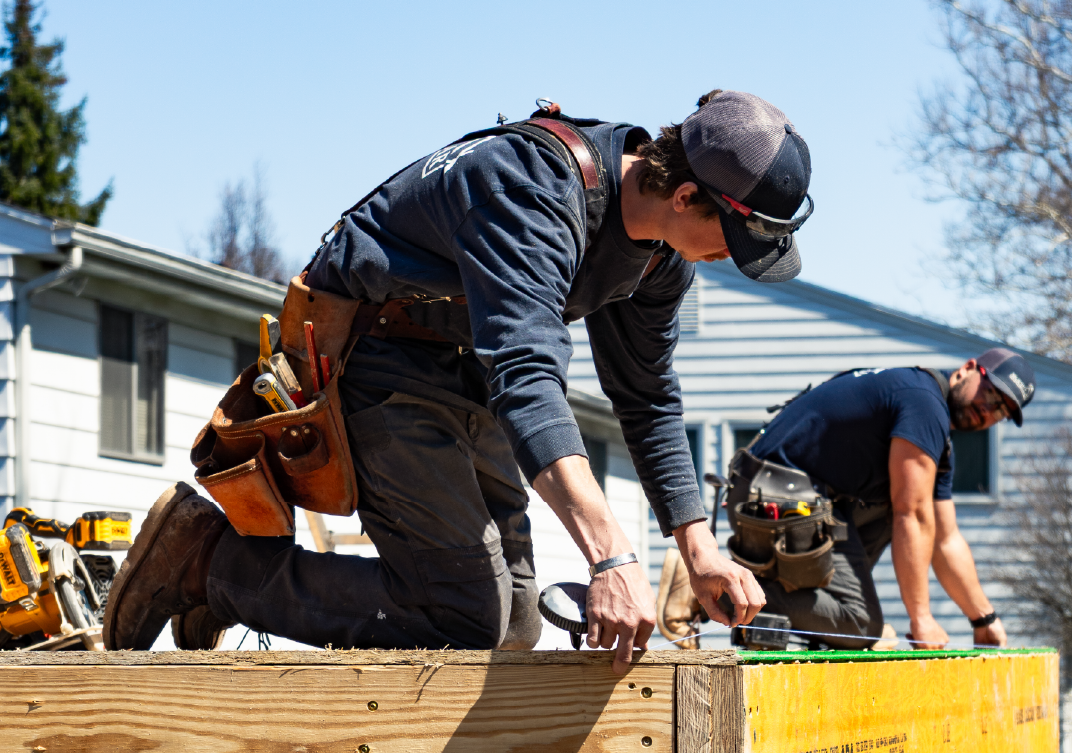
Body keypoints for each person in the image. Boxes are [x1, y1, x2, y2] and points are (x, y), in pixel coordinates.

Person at [103, 90, 817, 670]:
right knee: (461, 615)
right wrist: (611, 556)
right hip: (375, 353)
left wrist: (698, 552)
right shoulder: (533, 187)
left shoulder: (661, 258)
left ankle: (238, 582)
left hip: (462, 370)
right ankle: (209, 561)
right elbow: (529, 374)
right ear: (688, 193)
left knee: (512, 623)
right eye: (737, 239)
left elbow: (649, 397)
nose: (734, 259)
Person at [657, 348, 1036, 651]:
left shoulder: (935, 434)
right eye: (991, 393)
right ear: (967, 369)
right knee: (860, 625)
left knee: (903, 512)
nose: (990, 410)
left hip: (796, 495)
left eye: (1002, 411)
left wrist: (983, 619)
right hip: (773, 491)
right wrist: (920, 618)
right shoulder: (924, 402)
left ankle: (830, 617)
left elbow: (945, 537)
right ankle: (712, 586)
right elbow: (912, 514)